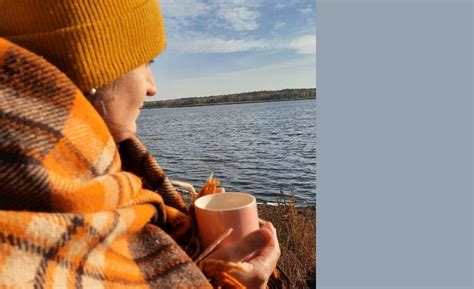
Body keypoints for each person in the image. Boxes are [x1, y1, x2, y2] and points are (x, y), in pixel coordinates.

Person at [0, 0, 280, 288]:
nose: (152, 87)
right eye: (146, 63)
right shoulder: (24, 245)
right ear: (93, 66)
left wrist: (195, 249)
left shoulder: (107, 181)